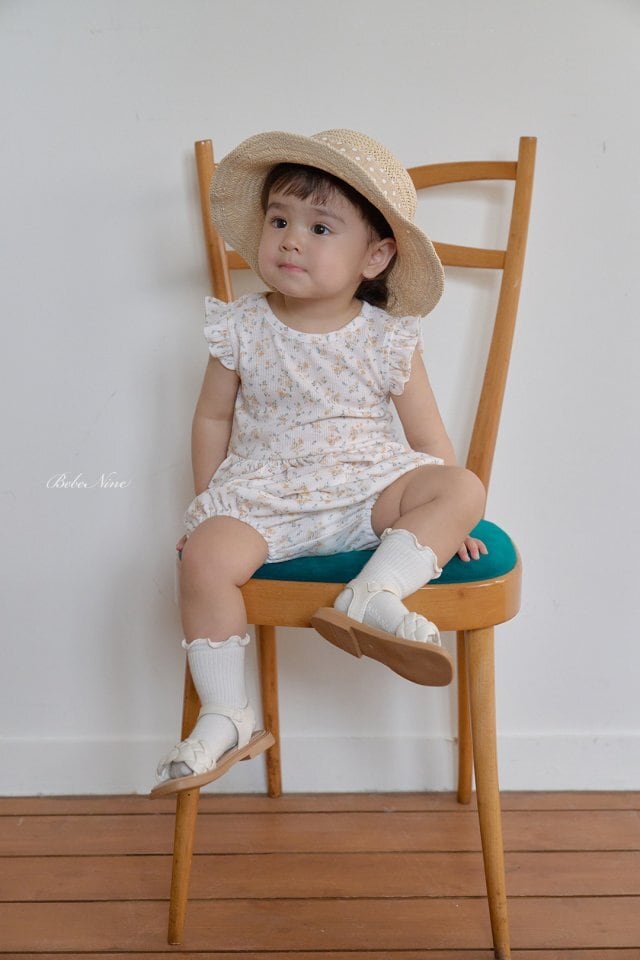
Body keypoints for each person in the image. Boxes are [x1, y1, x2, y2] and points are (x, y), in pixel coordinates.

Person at [153, 129, 487, 796]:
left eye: (320, 227)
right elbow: (212, 419)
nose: (290, 241)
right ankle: (226, 713)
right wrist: (208, 508)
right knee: (204, 559)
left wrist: (446, 524)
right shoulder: (241, 327)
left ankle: (374, 593)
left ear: (375, 256)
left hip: (368, 493)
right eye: (279, 221)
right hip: (266, 498)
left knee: (462, 487)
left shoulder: (388, 338)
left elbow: (427, 439)